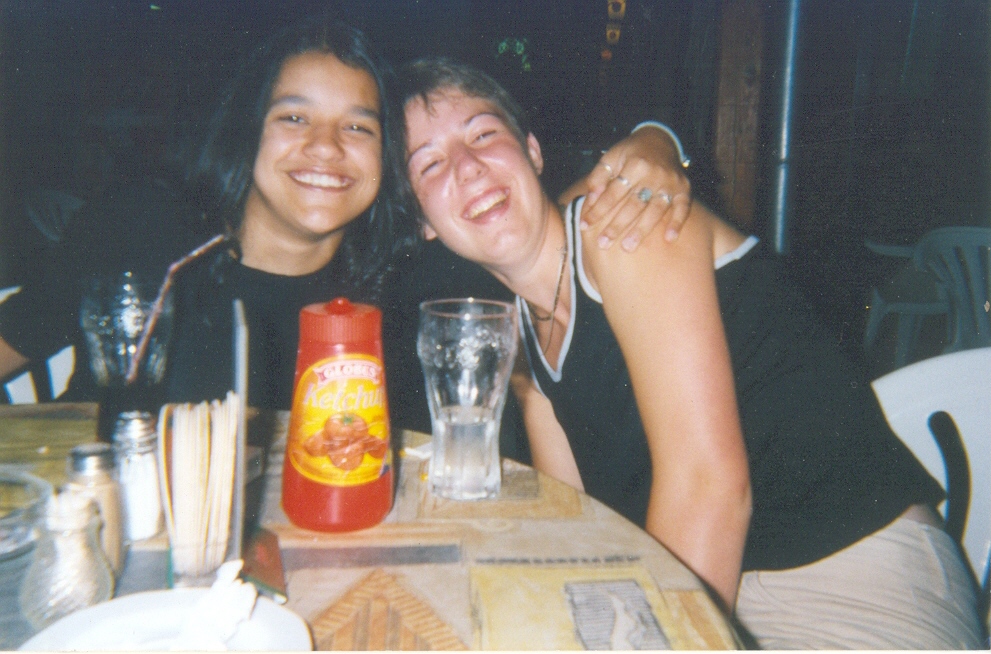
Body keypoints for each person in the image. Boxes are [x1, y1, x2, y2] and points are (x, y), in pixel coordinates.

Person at [398, 57, 983, 649]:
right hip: (729, 585)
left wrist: (656, 139)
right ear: (423, 222)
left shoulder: (625, 228)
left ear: (532, 150)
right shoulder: (525, 327)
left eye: (483, 134)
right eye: (431, 164)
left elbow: (710, 490)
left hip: (853, 583)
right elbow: (573, 519)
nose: (467, 167)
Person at [0, 16, 691, 418]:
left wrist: (654, 143)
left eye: (358, 128)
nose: (326, 148)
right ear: (248, 130)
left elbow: (529, 216)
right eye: (294, 118)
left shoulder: (409, 279)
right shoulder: (145, 230)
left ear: (386, 161)